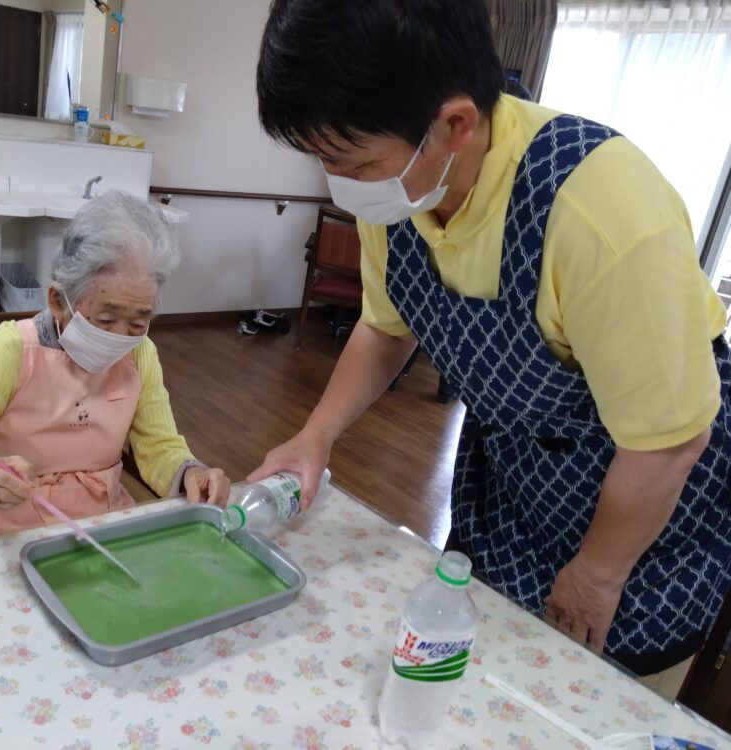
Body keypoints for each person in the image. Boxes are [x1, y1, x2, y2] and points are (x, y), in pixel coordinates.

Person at [251, 0, 731, 699]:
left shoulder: (601, 211)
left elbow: (668, 440)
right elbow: (387, 328)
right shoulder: (404, 195)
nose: (340, 181)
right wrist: (314, 435)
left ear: (454, 124)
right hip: (512, 490)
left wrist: (598, 572)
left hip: (643, 520)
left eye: (349, 159)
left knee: (590, 701)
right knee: (462, 681)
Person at [0, 191, 230, 541]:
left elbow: (160, 447)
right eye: (106, 318)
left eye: (139, 322)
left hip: (102, 526)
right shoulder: (6, 350)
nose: (121, 337)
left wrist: (191, 472)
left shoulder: (141, 354)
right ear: (57, 301)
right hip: (9, 530)